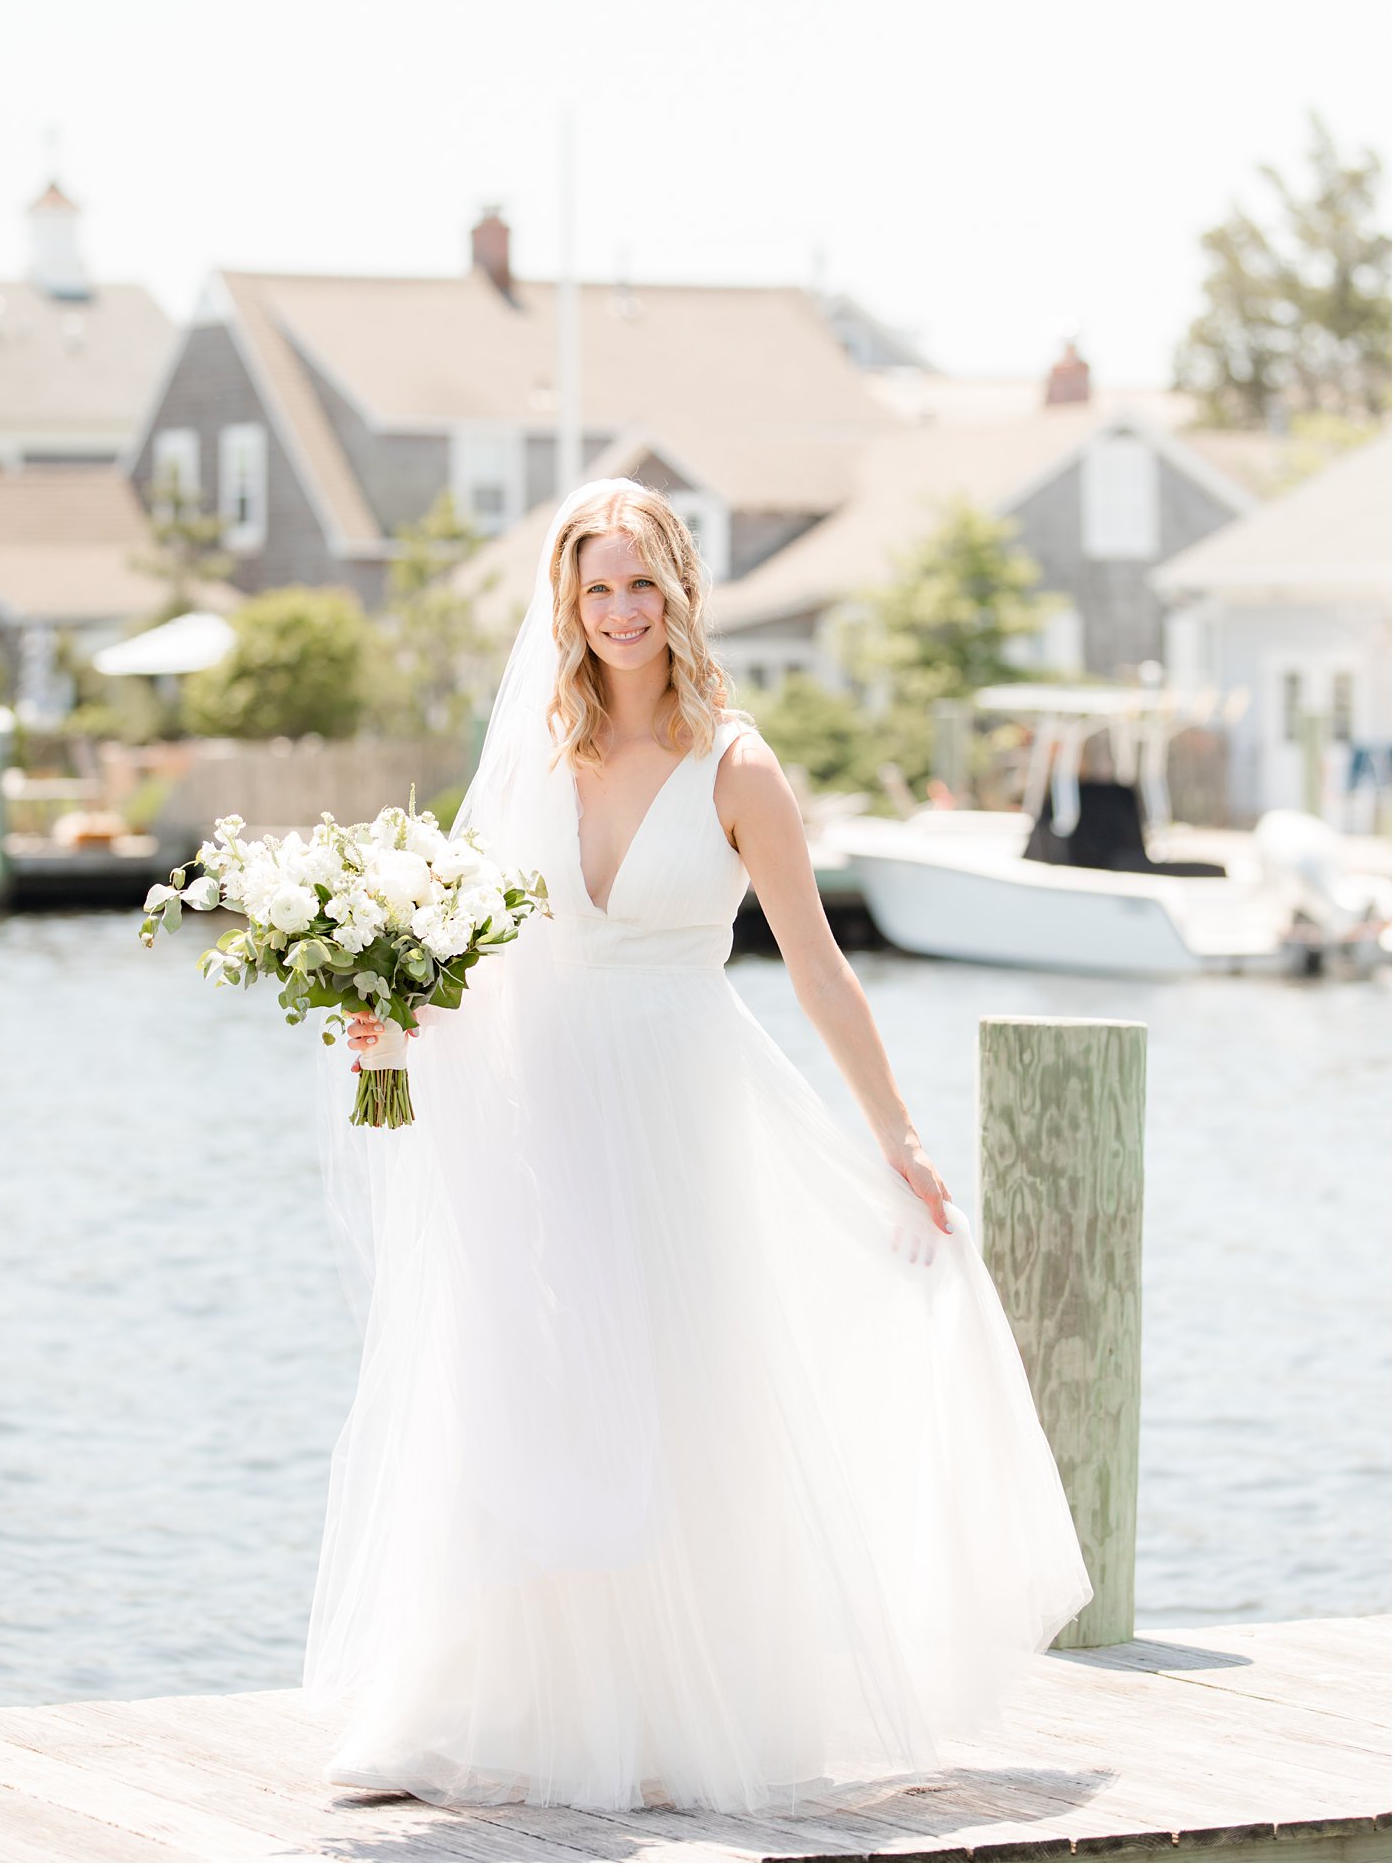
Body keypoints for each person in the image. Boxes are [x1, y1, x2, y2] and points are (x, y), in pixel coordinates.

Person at [304, 476, 1091, 1814]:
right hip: (545, 1105)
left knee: (677, 1387)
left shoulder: (738, 764)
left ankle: (676, 1715)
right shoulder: (540, 759)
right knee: (527, 1378)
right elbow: (479, 954)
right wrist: (395, 1021)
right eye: (595, 586)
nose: (618, 610)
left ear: (678, 594)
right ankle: (485, 1704)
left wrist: (897, 1132)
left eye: (640, 584)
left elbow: (823, 969)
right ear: (570, 601)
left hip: (682, 1108)